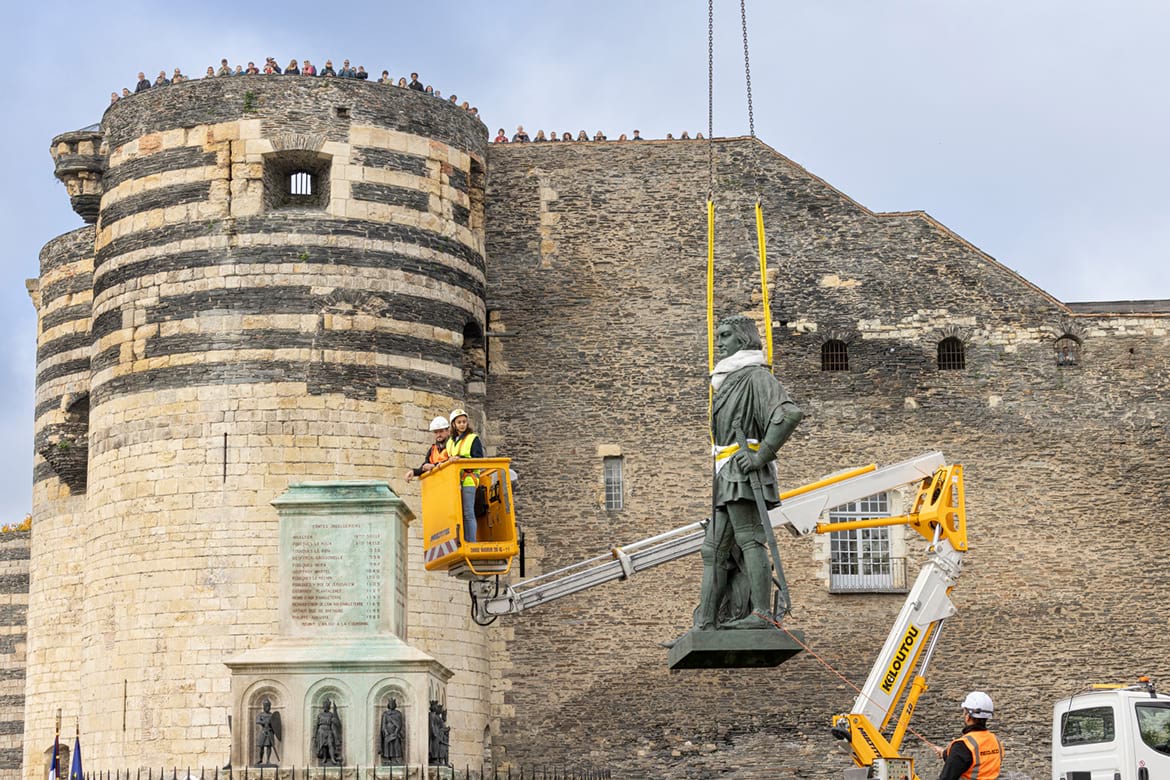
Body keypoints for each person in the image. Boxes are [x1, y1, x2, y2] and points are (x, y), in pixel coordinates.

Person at [696, 315, 802, 630]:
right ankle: (705, 622)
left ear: (743, 340)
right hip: (726, 471)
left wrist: (761, 455)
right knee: (712, 549)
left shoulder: (755, 376)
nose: (719, 342)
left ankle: (761, 614)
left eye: (726, 335)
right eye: (718, 336)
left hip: (741, 470)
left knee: (749, 539)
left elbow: (788, 413)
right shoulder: (727, 379)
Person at [935, 691, 1003, 779]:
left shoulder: (962, 745)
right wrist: (944, 753)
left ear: (968, 716)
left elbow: (949, 774)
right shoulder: (996, 741)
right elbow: (976, 760)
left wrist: (953, 752)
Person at [445, 409, 484, 542]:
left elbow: (478, 459)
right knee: (455, 514)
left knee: (468, 512)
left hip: (468, 479)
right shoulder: (450, 441)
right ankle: (459, 541)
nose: (462, 424)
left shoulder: (473, 439)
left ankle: (470, 542)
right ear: (454, 424)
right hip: (454, 480)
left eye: (464, 422)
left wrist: (460, 459)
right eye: (459, 422)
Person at [405, 416, 451, 482]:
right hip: (438, 484)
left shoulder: (453, 446)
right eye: (436, 432)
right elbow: (425, 466)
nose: (438, 434)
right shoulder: (432, 450)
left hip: (450, 481)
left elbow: (451, 461)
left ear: (448, 431)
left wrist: (433, 466)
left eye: (441, 431)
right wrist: (414, 472)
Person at [312, 699, 342, 766]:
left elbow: (335, 723)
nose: (325, 706)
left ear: (328, 706)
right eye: (324, 705)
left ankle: (332, 759)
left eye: (327, 705)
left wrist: (335, 715)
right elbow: (316, 725)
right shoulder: (320, 715)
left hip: (329, 730)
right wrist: (314, 735)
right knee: (323, 746)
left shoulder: (331, 714)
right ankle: (324, 758)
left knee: (330, 744)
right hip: (321, 731)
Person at [379, 698, 405, 765]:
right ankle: (387, 759)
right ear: (388, 705)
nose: (391, 705)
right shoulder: (385, 714)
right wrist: (386, 732)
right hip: (387, 733)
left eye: (393, 704)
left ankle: (396, 758)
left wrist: (396, 732)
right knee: (387, 746)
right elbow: (384, 724)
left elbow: (400, 724)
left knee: (396, 746)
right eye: (390, 704)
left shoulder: (398, 713)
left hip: (395, 733)